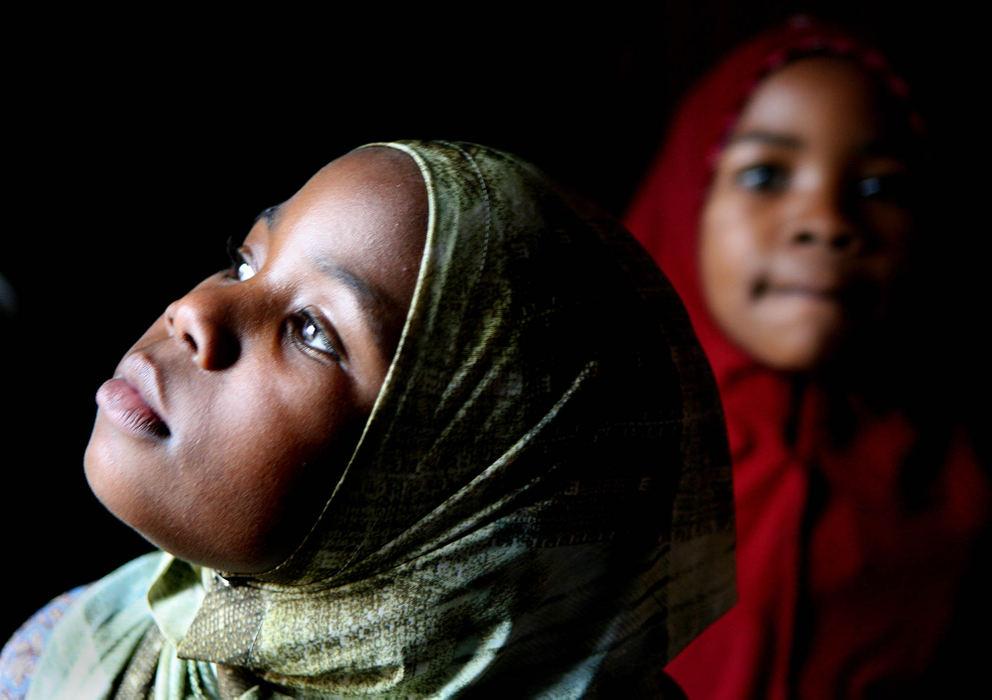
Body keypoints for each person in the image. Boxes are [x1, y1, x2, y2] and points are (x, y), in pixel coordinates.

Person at [1, 140, 734, 697]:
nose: (196, 310)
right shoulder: (85, 641)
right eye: (247, 262)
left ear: (461, 503)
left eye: (314, 331)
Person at [624, 17, 991, 699]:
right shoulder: (593, 469)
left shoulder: (955, 491)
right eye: (764, 175)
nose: (826, 219)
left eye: (880, 187)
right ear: (685, 201)